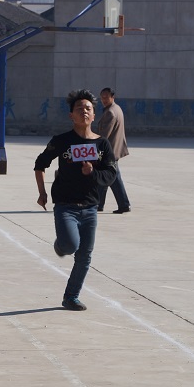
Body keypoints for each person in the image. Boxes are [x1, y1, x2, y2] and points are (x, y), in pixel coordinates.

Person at [34, 89, 117, 311]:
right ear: (71, 115)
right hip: (65, 206)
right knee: (70, 245)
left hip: (90, 208)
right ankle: (60, 245)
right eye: (79, 109)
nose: (84, 112)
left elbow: (111, 174)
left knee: (84, 256)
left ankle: (71, 297)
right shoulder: (62, 141)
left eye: (88, 108)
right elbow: (40, 164)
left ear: (94, 115)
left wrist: (93, 173)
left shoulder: (102, 144)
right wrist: (42, 192)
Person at [97, 87, 130, 214]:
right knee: (104, 176)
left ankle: (124, 204)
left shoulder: (110, 112)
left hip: (110, 151)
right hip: (114, 149)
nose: (104, 100)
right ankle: (99, 204)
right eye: (102, 98)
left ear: (112, 97)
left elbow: (104, 135)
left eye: (106, 97)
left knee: (114, 178)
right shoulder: (117, 108)